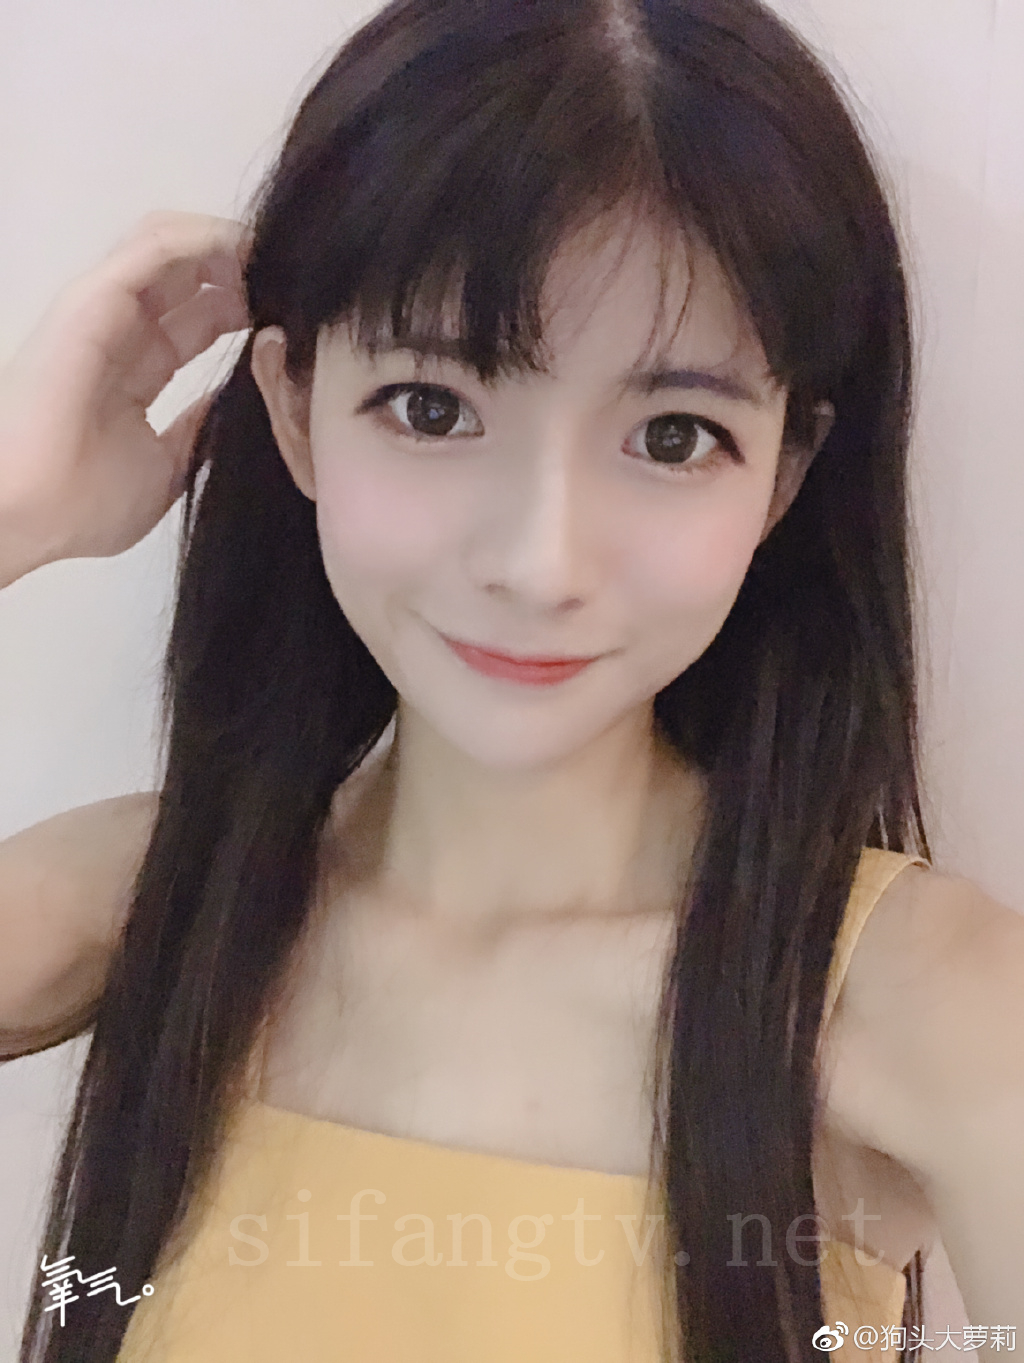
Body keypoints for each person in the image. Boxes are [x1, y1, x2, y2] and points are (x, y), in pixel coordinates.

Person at [1, 0, 1021, 1359]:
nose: (542, 565)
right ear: (295, 411)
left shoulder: (925, 1003)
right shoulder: (152, 902)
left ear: (783, 476)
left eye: (674, 436)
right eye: (433, 408)